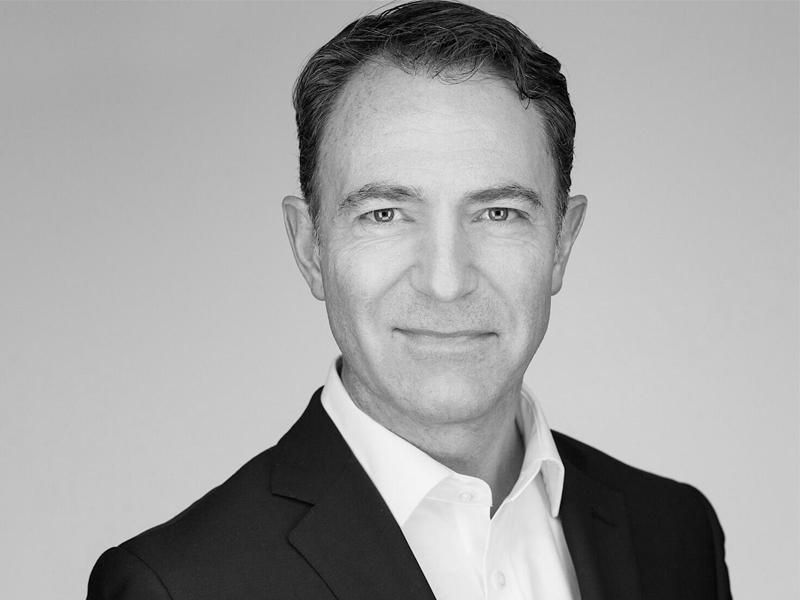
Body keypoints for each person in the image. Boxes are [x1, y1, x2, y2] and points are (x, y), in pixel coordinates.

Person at [88, 1, 732, 598]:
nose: (446, 281)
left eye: (499, 213)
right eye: (385, 214)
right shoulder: (175, 586)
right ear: (310, 247)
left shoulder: (676, 534)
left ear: (561, 244)